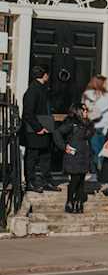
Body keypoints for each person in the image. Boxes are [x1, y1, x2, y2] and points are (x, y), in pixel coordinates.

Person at [54, 102, 95, 214]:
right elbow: (57, 133)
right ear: (78, 111)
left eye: (87, 110)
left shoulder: (88, 124)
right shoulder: (71, 123)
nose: (86, 112)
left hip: (84, 155)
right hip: (74, 155)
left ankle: (78, 201)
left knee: (81, 179)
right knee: (75, 179)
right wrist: (64, 146)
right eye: (84, 110)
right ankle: (70, 200)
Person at [21, 66, 56, 194]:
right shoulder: (32, 90)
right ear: (44, 75)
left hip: (44, 127)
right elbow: (28, 113)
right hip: (34, 130)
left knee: (46, 156)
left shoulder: (42, 89)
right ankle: (31, 182)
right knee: (32, 157)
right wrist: (38, 128)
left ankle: (46, 181)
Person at [83, 75, 108, 177]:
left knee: (95, 151)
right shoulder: (107, 95)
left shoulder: (87, 94)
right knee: (101, 152)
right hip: (102, 126)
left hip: (95, 126)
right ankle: (100, 174)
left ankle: (95, 174)